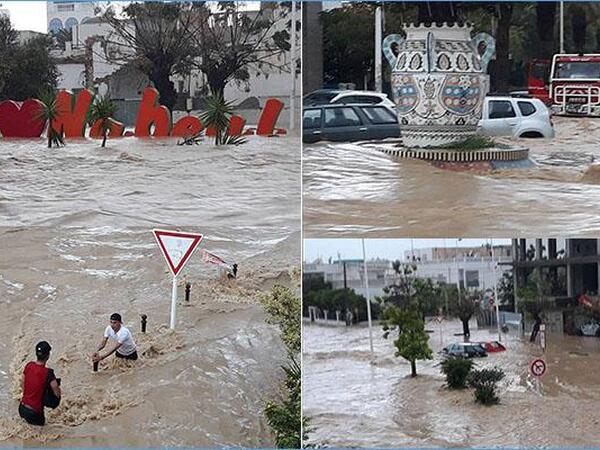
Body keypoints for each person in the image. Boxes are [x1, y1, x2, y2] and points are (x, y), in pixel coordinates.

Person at [19, 341, 61, 426]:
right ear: (48, 356)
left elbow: (22, 383)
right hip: (35, 414)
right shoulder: (48, 373)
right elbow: (56, 388)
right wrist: (55, 400)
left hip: (22, 408)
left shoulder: (28, 365)